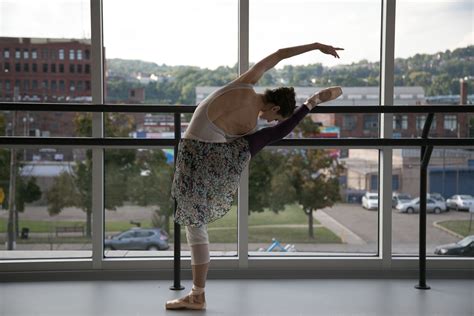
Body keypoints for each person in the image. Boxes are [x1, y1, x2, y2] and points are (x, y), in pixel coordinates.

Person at [166, 42, 343, 310]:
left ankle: (197, 295)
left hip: (190, 155)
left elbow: (279, 55)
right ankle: (311, 103)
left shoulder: (244, 83)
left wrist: (316, 46)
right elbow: (267, 135)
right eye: (275, 116)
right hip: (210, 161)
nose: (271, 120)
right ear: (273, 108)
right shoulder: (250, 124)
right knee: (266, 138)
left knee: (195, 226)